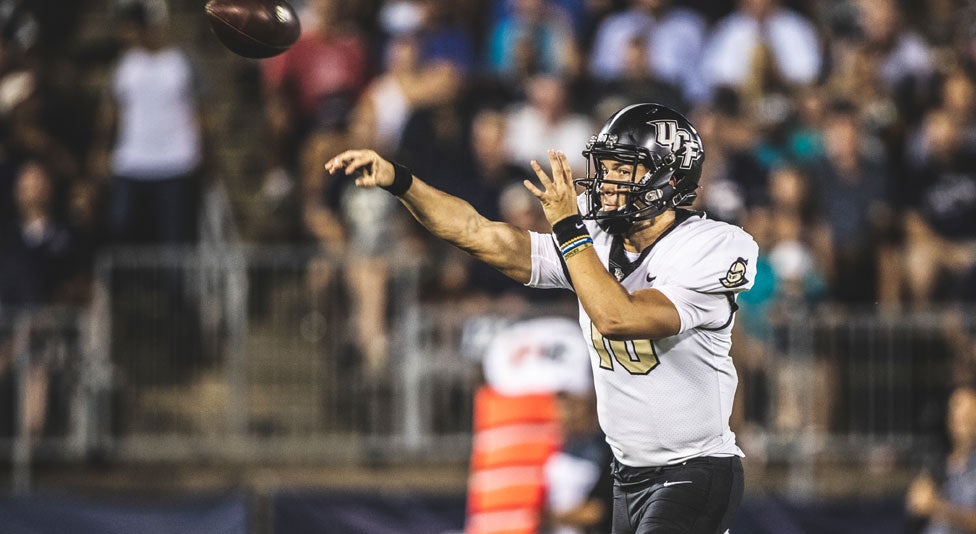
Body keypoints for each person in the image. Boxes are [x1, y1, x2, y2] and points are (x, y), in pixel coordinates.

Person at [327, 102, 758, 533]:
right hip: (626, 473)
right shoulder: (597, 238)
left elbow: (618, 317)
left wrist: (571, 230)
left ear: (670, 177)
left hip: (695, 468)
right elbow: (478, 234)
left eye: (623, 169)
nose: (606, 180)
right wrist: (402, 182)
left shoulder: (713, 246)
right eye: (604, 165)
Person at [906, 384, 976, 533]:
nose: (958, 421)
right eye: (955, 414)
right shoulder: (936, 464)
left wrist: (937, 507)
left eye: (967, 417)